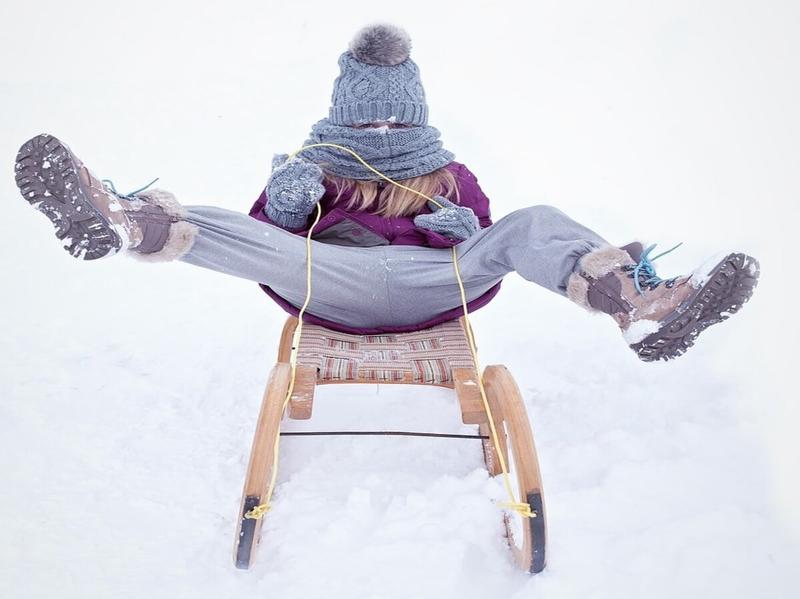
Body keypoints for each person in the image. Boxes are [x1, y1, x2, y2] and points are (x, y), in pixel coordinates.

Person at [13, 23, 759, 362]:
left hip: (439, 283)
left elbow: (498, 242)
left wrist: (461, 228)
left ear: (416, 111)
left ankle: (633, 305)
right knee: (210, 219)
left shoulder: (449, 172)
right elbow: (265, 247)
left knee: (536, 221)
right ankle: (118, 222)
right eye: (366, 112)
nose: (379, 125)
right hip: (328, 281)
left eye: (393, 112)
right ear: (342, 111)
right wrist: (288, 204)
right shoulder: (315, 162)